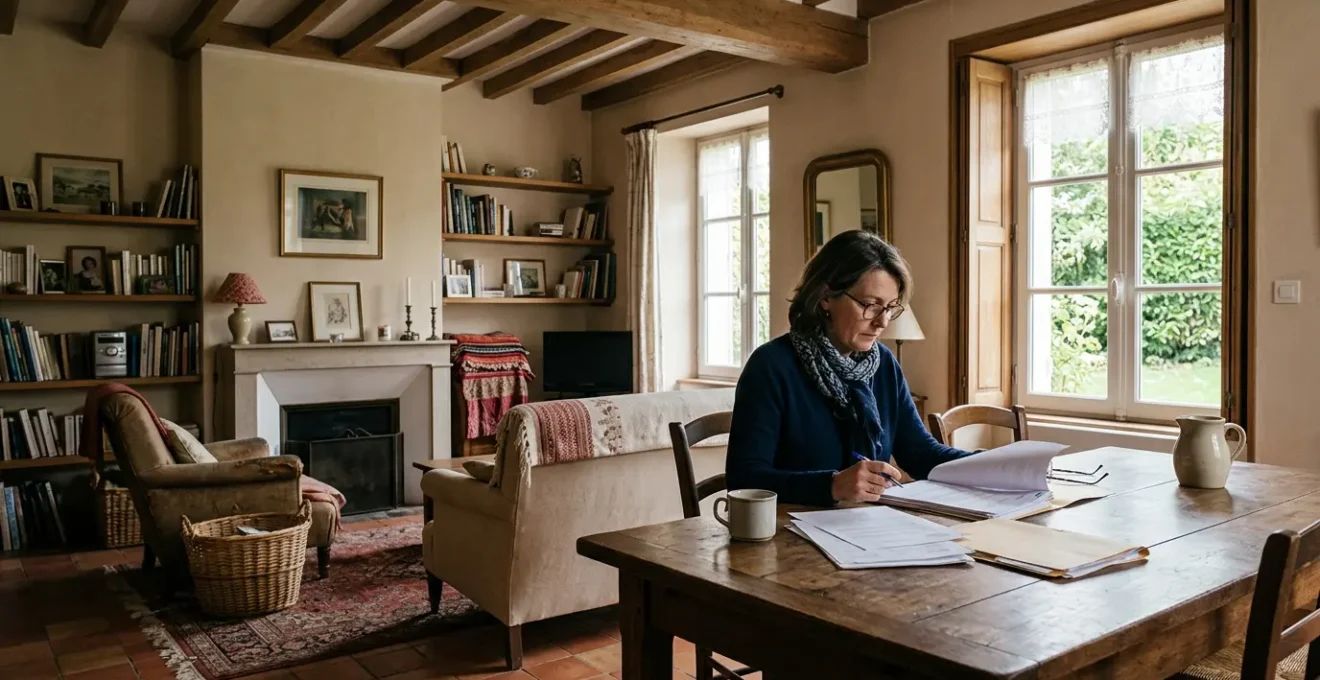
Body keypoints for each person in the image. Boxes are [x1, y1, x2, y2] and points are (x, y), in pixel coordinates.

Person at [726, 230, 972, 506]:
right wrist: (831, 485)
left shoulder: (884, 365)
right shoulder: (771, 366)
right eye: (870, 305)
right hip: (788, 535)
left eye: (890, 307)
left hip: (868, 530)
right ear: (826, 296)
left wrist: (996, 465)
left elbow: (921, 454)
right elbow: (743, 479)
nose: (882, 322)